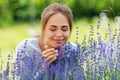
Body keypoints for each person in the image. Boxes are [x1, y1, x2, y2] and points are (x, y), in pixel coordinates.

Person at [15, 2, 85, 80]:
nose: (59, 34)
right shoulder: (26, 49)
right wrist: (44, 69)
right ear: (43, 29)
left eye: (64, 29)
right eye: (53, 29)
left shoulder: (74, 50)